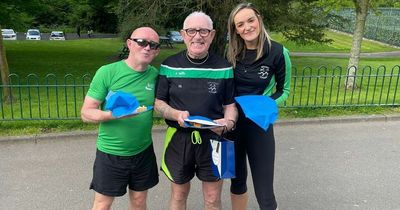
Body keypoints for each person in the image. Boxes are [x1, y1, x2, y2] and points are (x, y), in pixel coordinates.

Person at [154, 11, 238, 210]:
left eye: (203, 31)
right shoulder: (169, 65)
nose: (197, 36)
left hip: (217, 139)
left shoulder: (224, 68)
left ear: (212, 35)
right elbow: (159, 103)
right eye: (191, 31)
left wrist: (229, 123)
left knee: (212, 198)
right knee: (178, 196)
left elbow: (230, 106)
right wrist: (175, 114)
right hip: (179, 139)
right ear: (183, 34)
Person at [80, 27, 161, 210]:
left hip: (143, 151)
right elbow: (86, 113)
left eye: (153, 45)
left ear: (156, 50)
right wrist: (113, 114)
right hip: (111, 153)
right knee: (102, 204)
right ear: (130, 44)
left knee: (139, 201)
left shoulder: (155, 76)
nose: (147, 47)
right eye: (142, 42)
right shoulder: (107, 72)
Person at [226, 3, 292, 210]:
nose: (247, 27)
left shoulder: (279, 52)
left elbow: (285, 90)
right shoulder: (229, 53)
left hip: (259, 126)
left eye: (250, 20)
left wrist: (265, 104)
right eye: (240, 24)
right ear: (235, 29)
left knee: (264, 191)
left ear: (259, 19)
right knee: (236, 183)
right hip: (231, 127)